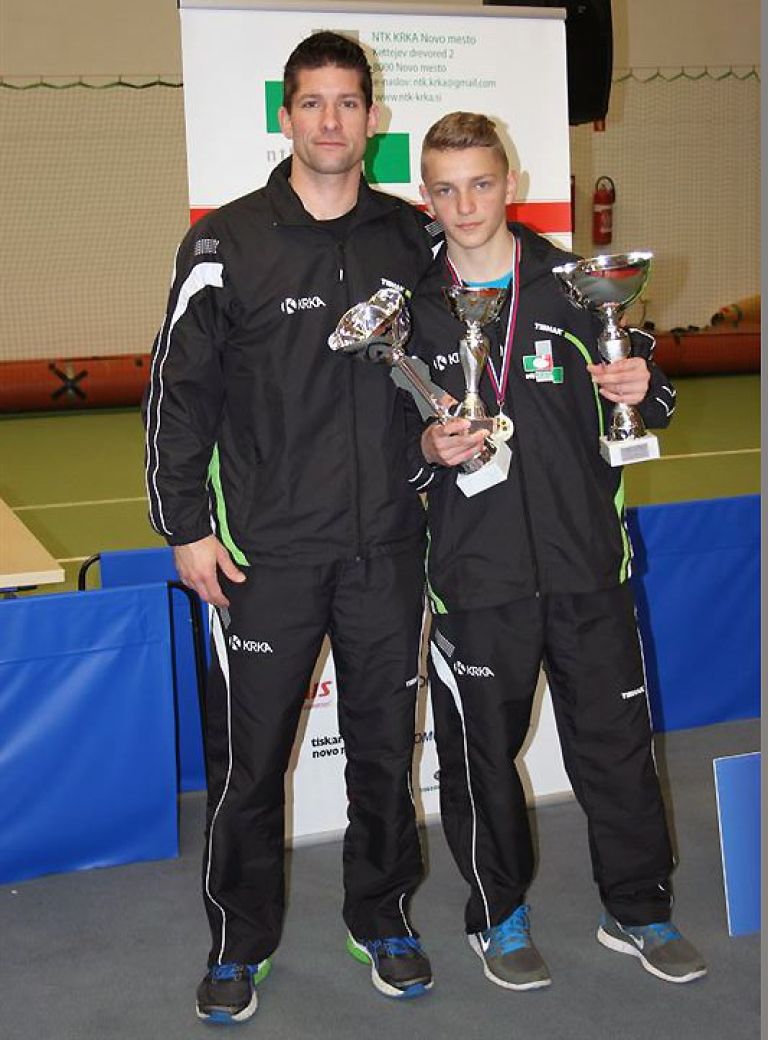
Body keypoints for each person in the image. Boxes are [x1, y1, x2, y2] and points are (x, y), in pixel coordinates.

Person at [144, 32, 440, 1023]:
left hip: (388, 546)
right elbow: (178, 395)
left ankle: (384, 916)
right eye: (312, 102)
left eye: (347, 102)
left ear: (372, 117)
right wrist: (186, 526)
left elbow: (458, 360)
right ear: (287, 116)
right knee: (251, 764)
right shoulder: (226, 242)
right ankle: (239, 940)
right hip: (263, 554)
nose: (330, 120)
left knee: (384, 751)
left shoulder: (413, 240)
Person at [405, 112, 706, 992]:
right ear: (427, 197)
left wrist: (642, 386)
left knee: (616, 746)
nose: (466, 205)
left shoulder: (576, 288)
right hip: (475, 576)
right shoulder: (412, 309)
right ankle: (497, 915)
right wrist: (425, 449)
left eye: (481, 184)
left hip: (586, 567)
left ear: (511, 183)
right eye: (447, 189)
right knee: (482, 762)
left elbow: (653, 404)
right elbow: (387, 446)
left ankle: (638, 908)